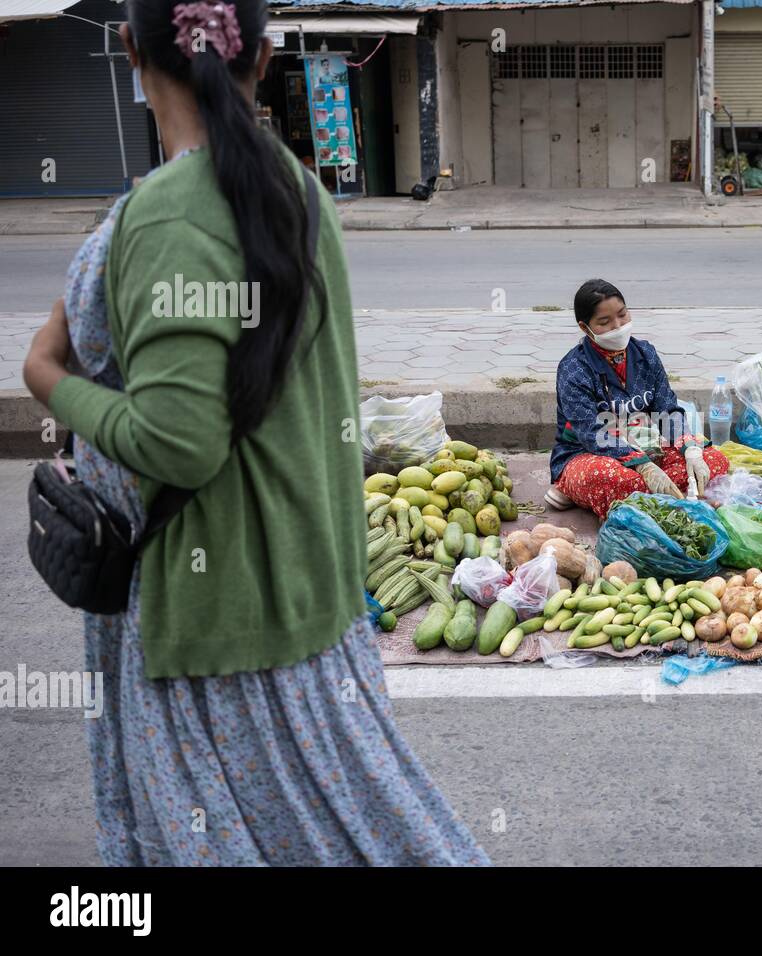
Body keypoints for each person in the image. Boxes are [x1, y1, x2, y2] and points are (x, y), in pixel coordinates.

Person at [22, 0, 487, 865]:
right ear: (266, 58)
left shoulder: (165, 215)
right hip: (308, 594)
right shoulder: (295, 187)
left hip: (220, 625)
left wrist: (48, 381)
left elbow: (177, 442)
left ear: (130, 50)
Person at [546, 279, 730, 518]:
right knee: (615, 480)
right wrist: (641, 466)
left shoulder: (646, 354)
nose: (618, 325)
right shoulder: (573, 369)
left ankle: (648, 498)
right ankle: (571, 485)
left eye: (622, 315)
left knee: (714, 461)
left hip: (646, 447)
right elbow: (592, 434)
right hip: (589, 455)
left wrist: (689, 448)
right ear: (585, 327)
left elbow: (667, 410)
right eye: (605, 322)